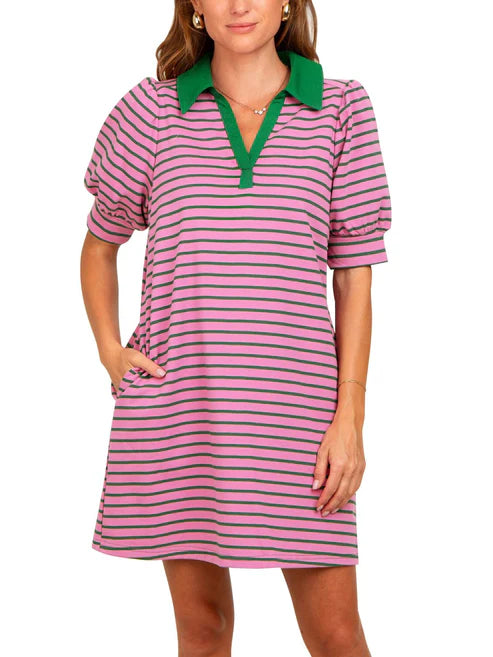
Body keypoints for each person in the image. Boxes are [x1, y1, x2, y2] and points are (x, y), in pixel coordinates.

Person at [80, 1, 392, 655]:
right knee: (203, 629)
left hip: (300, 419)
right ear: (194, 6)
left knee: (336, 633)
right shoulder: (150, 112)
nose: (239, 5)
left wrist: (350, 417)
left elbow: (354, 277)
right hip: (182, 411)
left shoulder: (340, 109)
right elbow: (100, 244)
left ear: (288, 3)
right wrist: (110, 349)